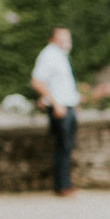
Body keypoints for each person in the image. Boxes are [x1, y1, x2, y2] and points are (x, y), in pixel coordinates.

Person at [31, 25, 81, 196]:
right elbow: (37, 81)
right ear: (52, 39)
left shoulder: (60, 55)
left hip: (66, 105)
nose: (66, 41)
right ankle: (62, 185)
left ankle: (65, 183)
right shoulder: (49, 55)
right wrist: (56, 104)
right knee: (63, 146)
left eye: (68, 38)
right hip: (59, 108)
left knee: (67, 146)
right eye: (62, 38)